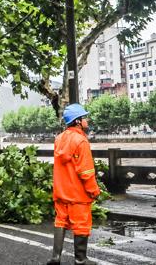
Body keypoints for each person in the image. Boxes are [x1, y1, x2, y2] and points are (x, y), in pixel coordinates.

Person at [48, 103, 100, 265]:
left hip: (61, 192)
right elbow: (86, 172)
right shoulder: (81, 141)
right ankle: (80, 259)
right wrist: (94, 190)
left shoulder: (59, 139)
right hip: (78, 194)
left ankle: (55, 257)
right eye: (84, 117)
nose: (87, 120)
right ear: (77, 121)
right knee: (81, 225)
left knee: (61, 221)